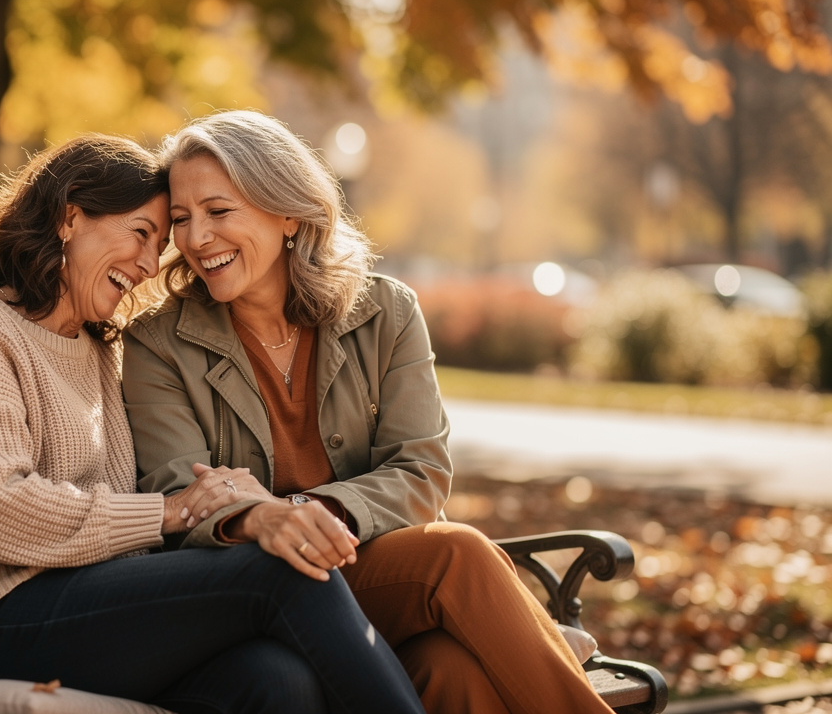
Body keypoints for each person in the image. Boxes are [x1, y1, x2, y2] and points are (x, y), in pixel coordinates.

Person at [0, 134, 425, 714]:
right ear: (70, 218)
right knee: (279, 574)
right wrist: (170, 511)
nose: (148, 267)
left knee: (276, 679)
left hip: (85, 614)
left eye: (158, 247)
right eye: (141, 234)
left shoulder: (98, 351)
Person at [122, 111, 614, 714]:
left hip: (361, 569)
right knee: (456, 554)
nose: (197, 239)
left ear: (289, 213)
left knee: (449, 669)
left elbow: (421, 471)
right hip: (244, 584)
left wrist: (308, 513)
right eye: (181, 219)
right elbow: (181, 488)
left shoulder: (386, 313)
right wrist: (267, 524)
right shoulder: (156, 342)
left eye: (220, 212)